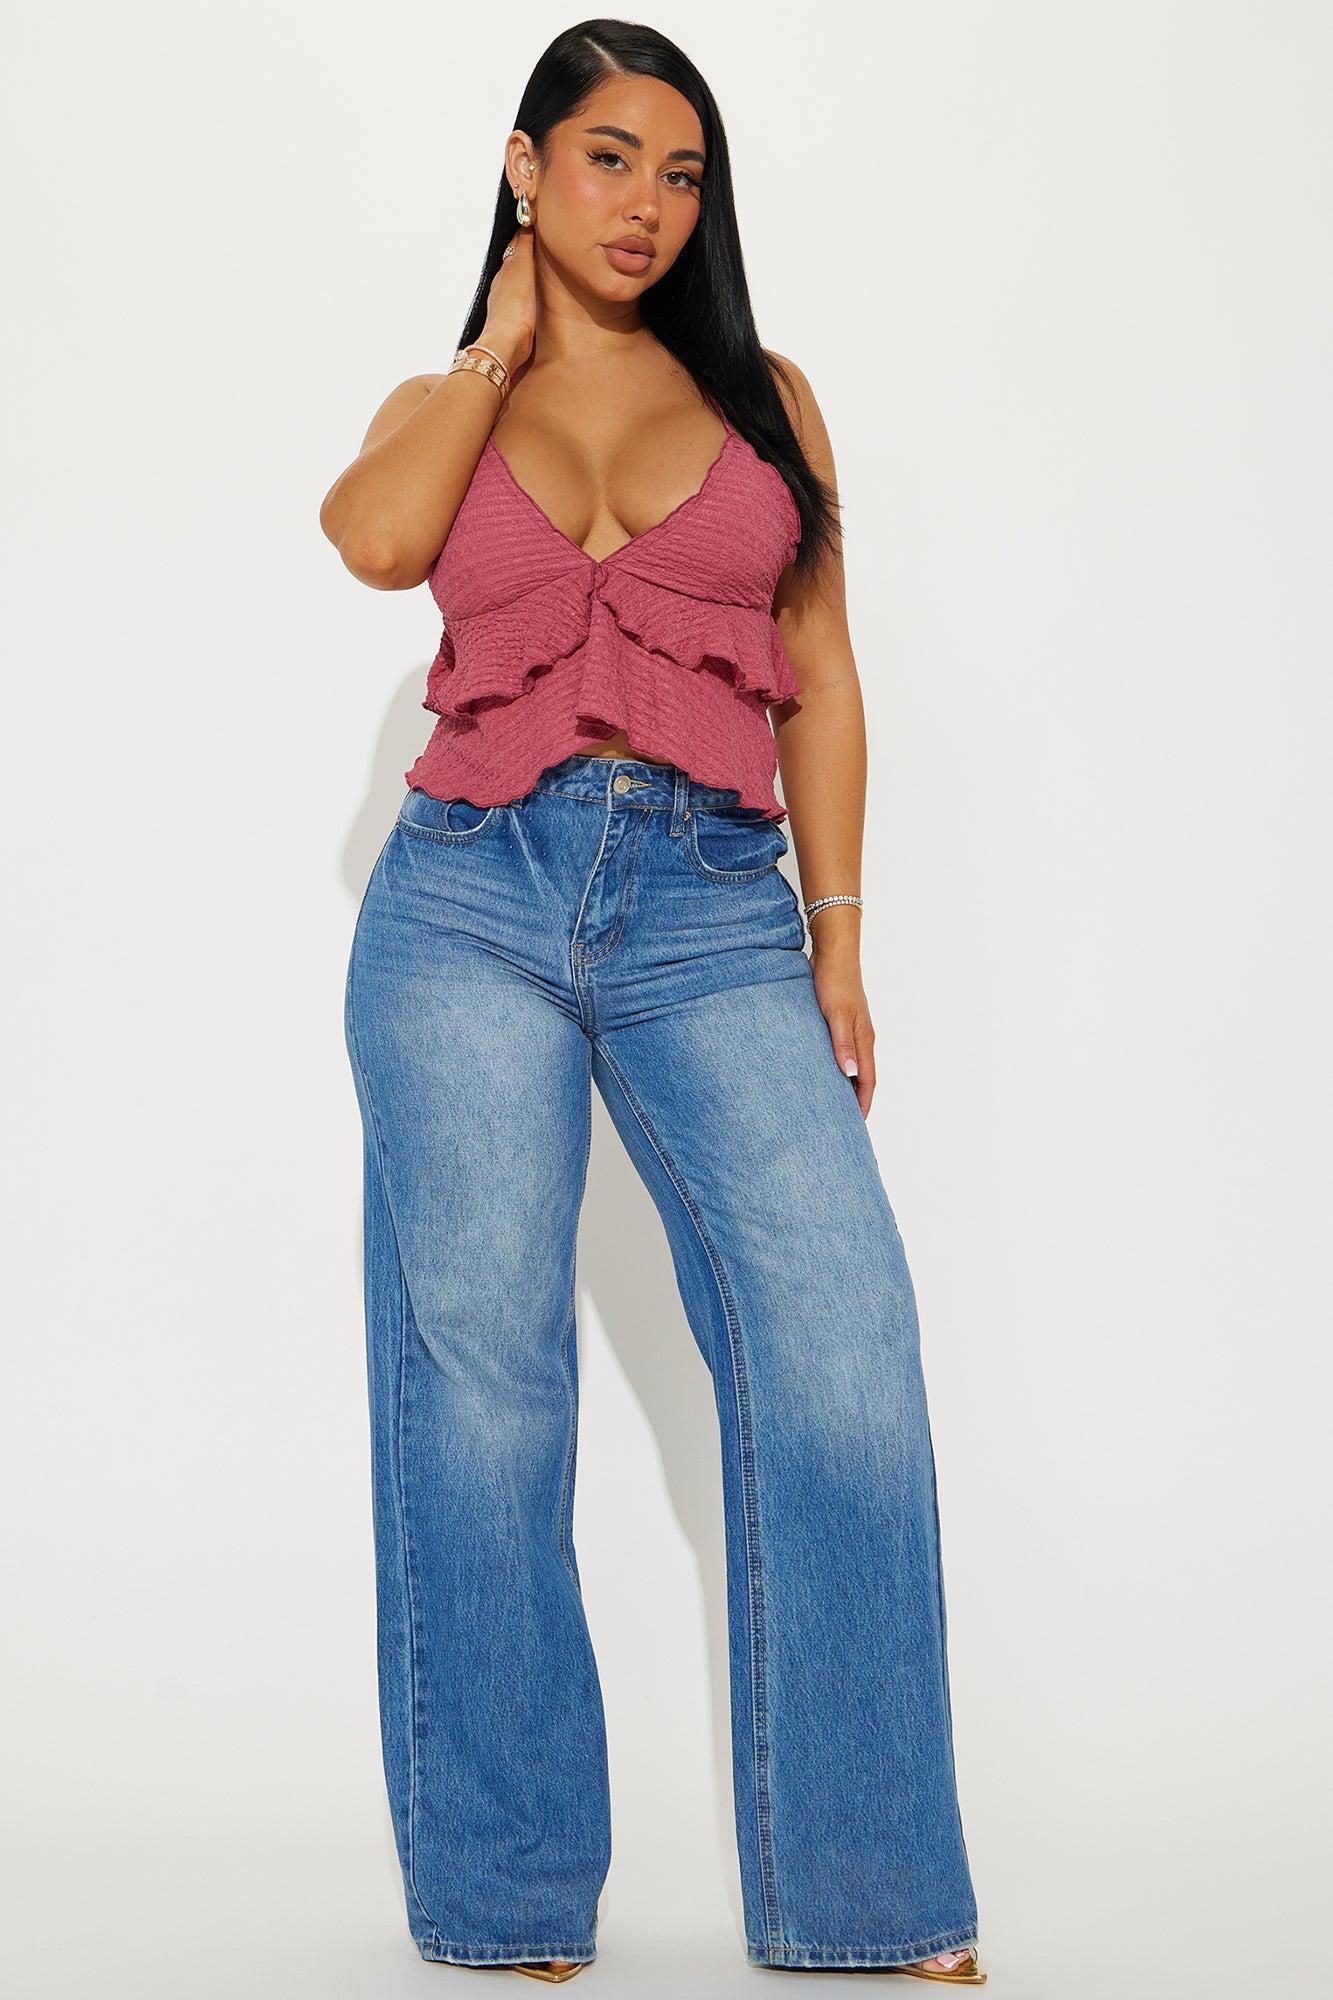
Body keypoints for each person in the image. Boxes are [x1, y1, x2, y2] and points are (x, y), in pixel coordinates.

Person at [321, 19, 986, 1986]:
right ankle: (508, 1893)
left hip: (709, 909)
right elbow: (374, 543)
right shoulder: (445, 401)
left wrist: (837, 937)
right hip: (468, 904)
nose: (648, 205)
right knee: (483, 1386)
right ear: (524, 167)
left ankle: (867, 1896)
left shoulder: (766, 402)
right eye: (607, 157)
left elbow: (823, 674)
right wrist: (491, 349)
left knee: (841, 1346)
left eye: (681, 173)